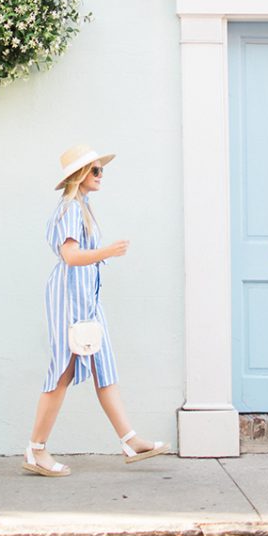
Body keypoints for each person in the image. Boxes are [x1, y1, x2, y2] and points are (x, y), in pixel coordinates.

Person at [24, 144, 166, 476]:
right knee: (63, 370)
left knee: (104, 365)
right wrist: (108, 251)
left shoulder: (82, 207)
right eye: (96, 170)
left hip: (87, 299)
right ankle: (36, 449)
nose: (101, 175)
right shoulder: (71, 209)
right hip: (70, 299)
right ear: (80, 176)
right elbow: (70, 256)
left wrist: (103, 255)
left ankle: (129, 439)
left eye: (101, 169)